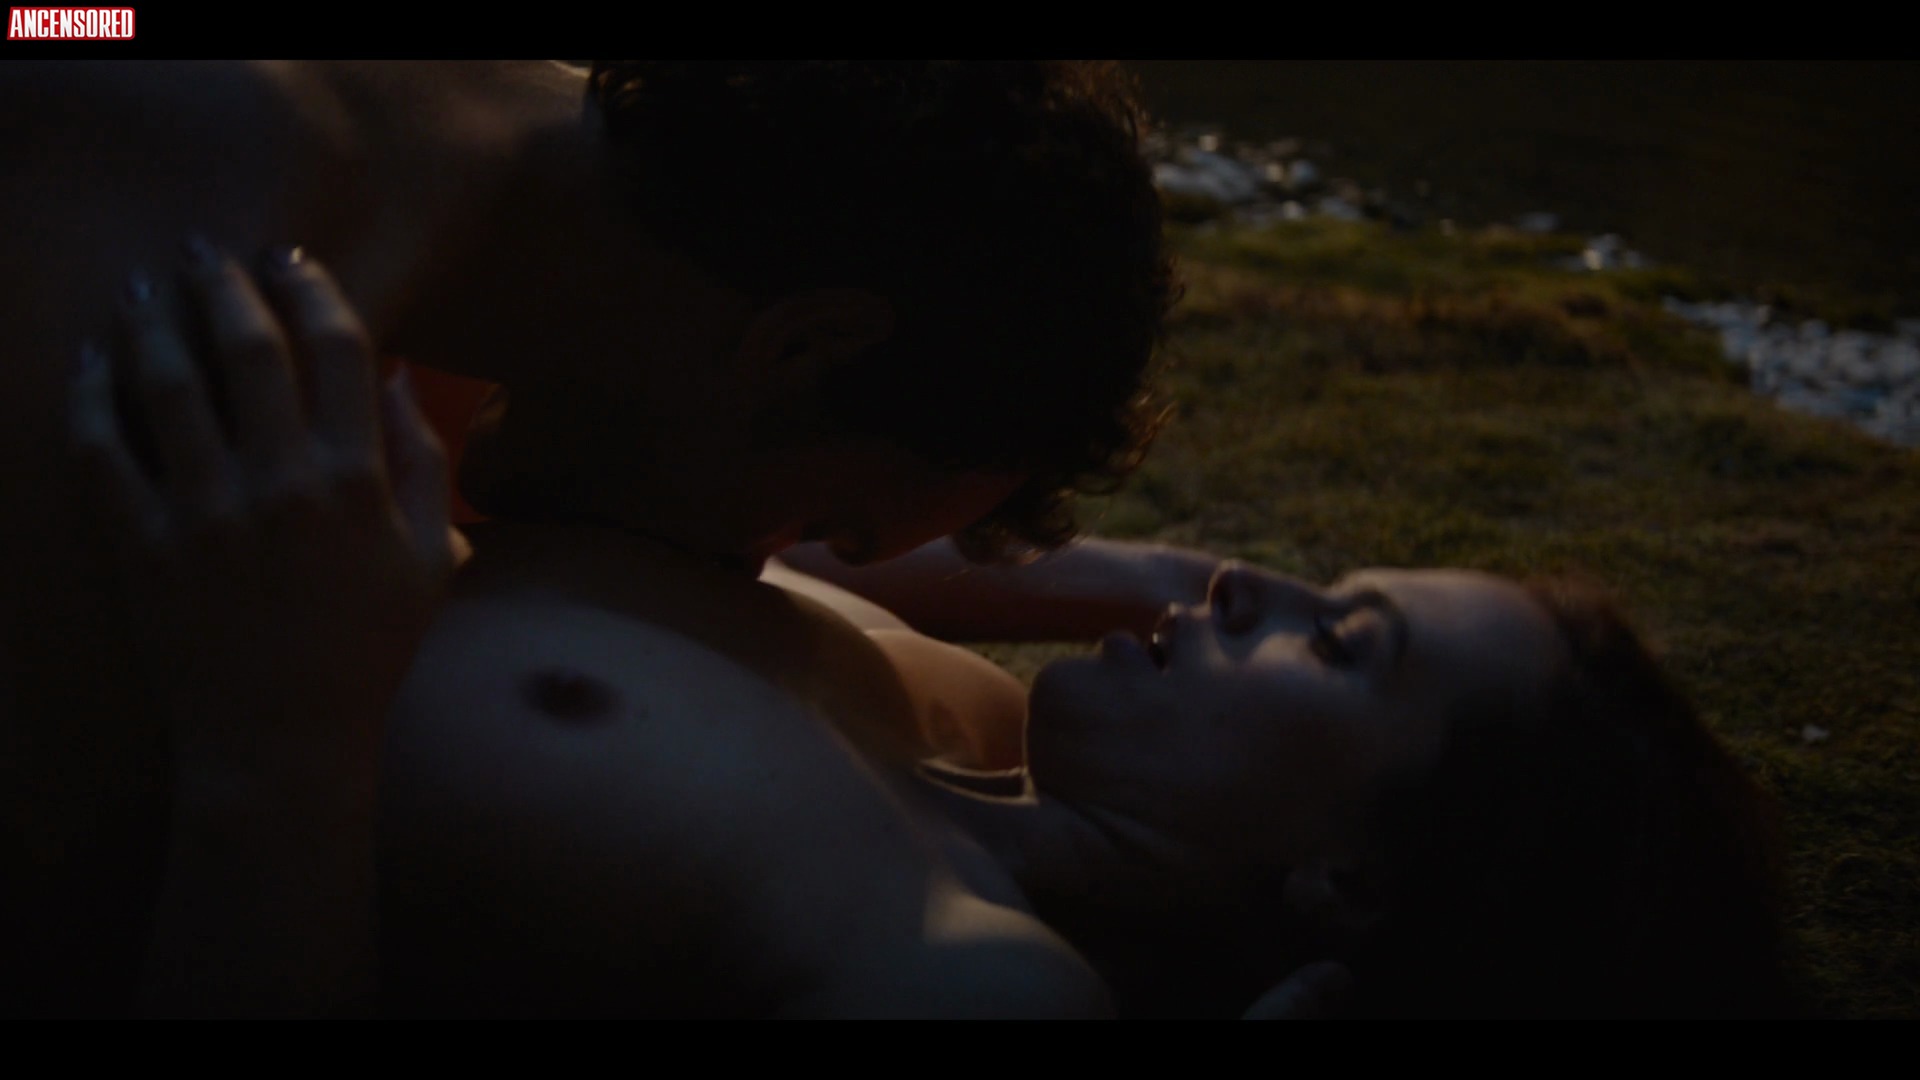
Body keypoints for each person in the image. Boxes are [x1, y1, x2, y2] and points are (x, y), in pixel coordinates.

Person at [78, 257, 1792, 1017]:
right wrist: (1169, 580)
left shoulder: (973, 977)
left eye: (1342, 645)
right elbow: (896, 543)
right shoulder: (966, 707)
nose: (1240, 592)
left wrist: (271, 756)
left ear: (1350, 883)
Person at [4, 61, 1175, 1013]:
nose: (751, 579)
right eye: (820, 522)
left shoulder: (474, 174)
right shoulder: (147, 273)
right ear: (803, 347)